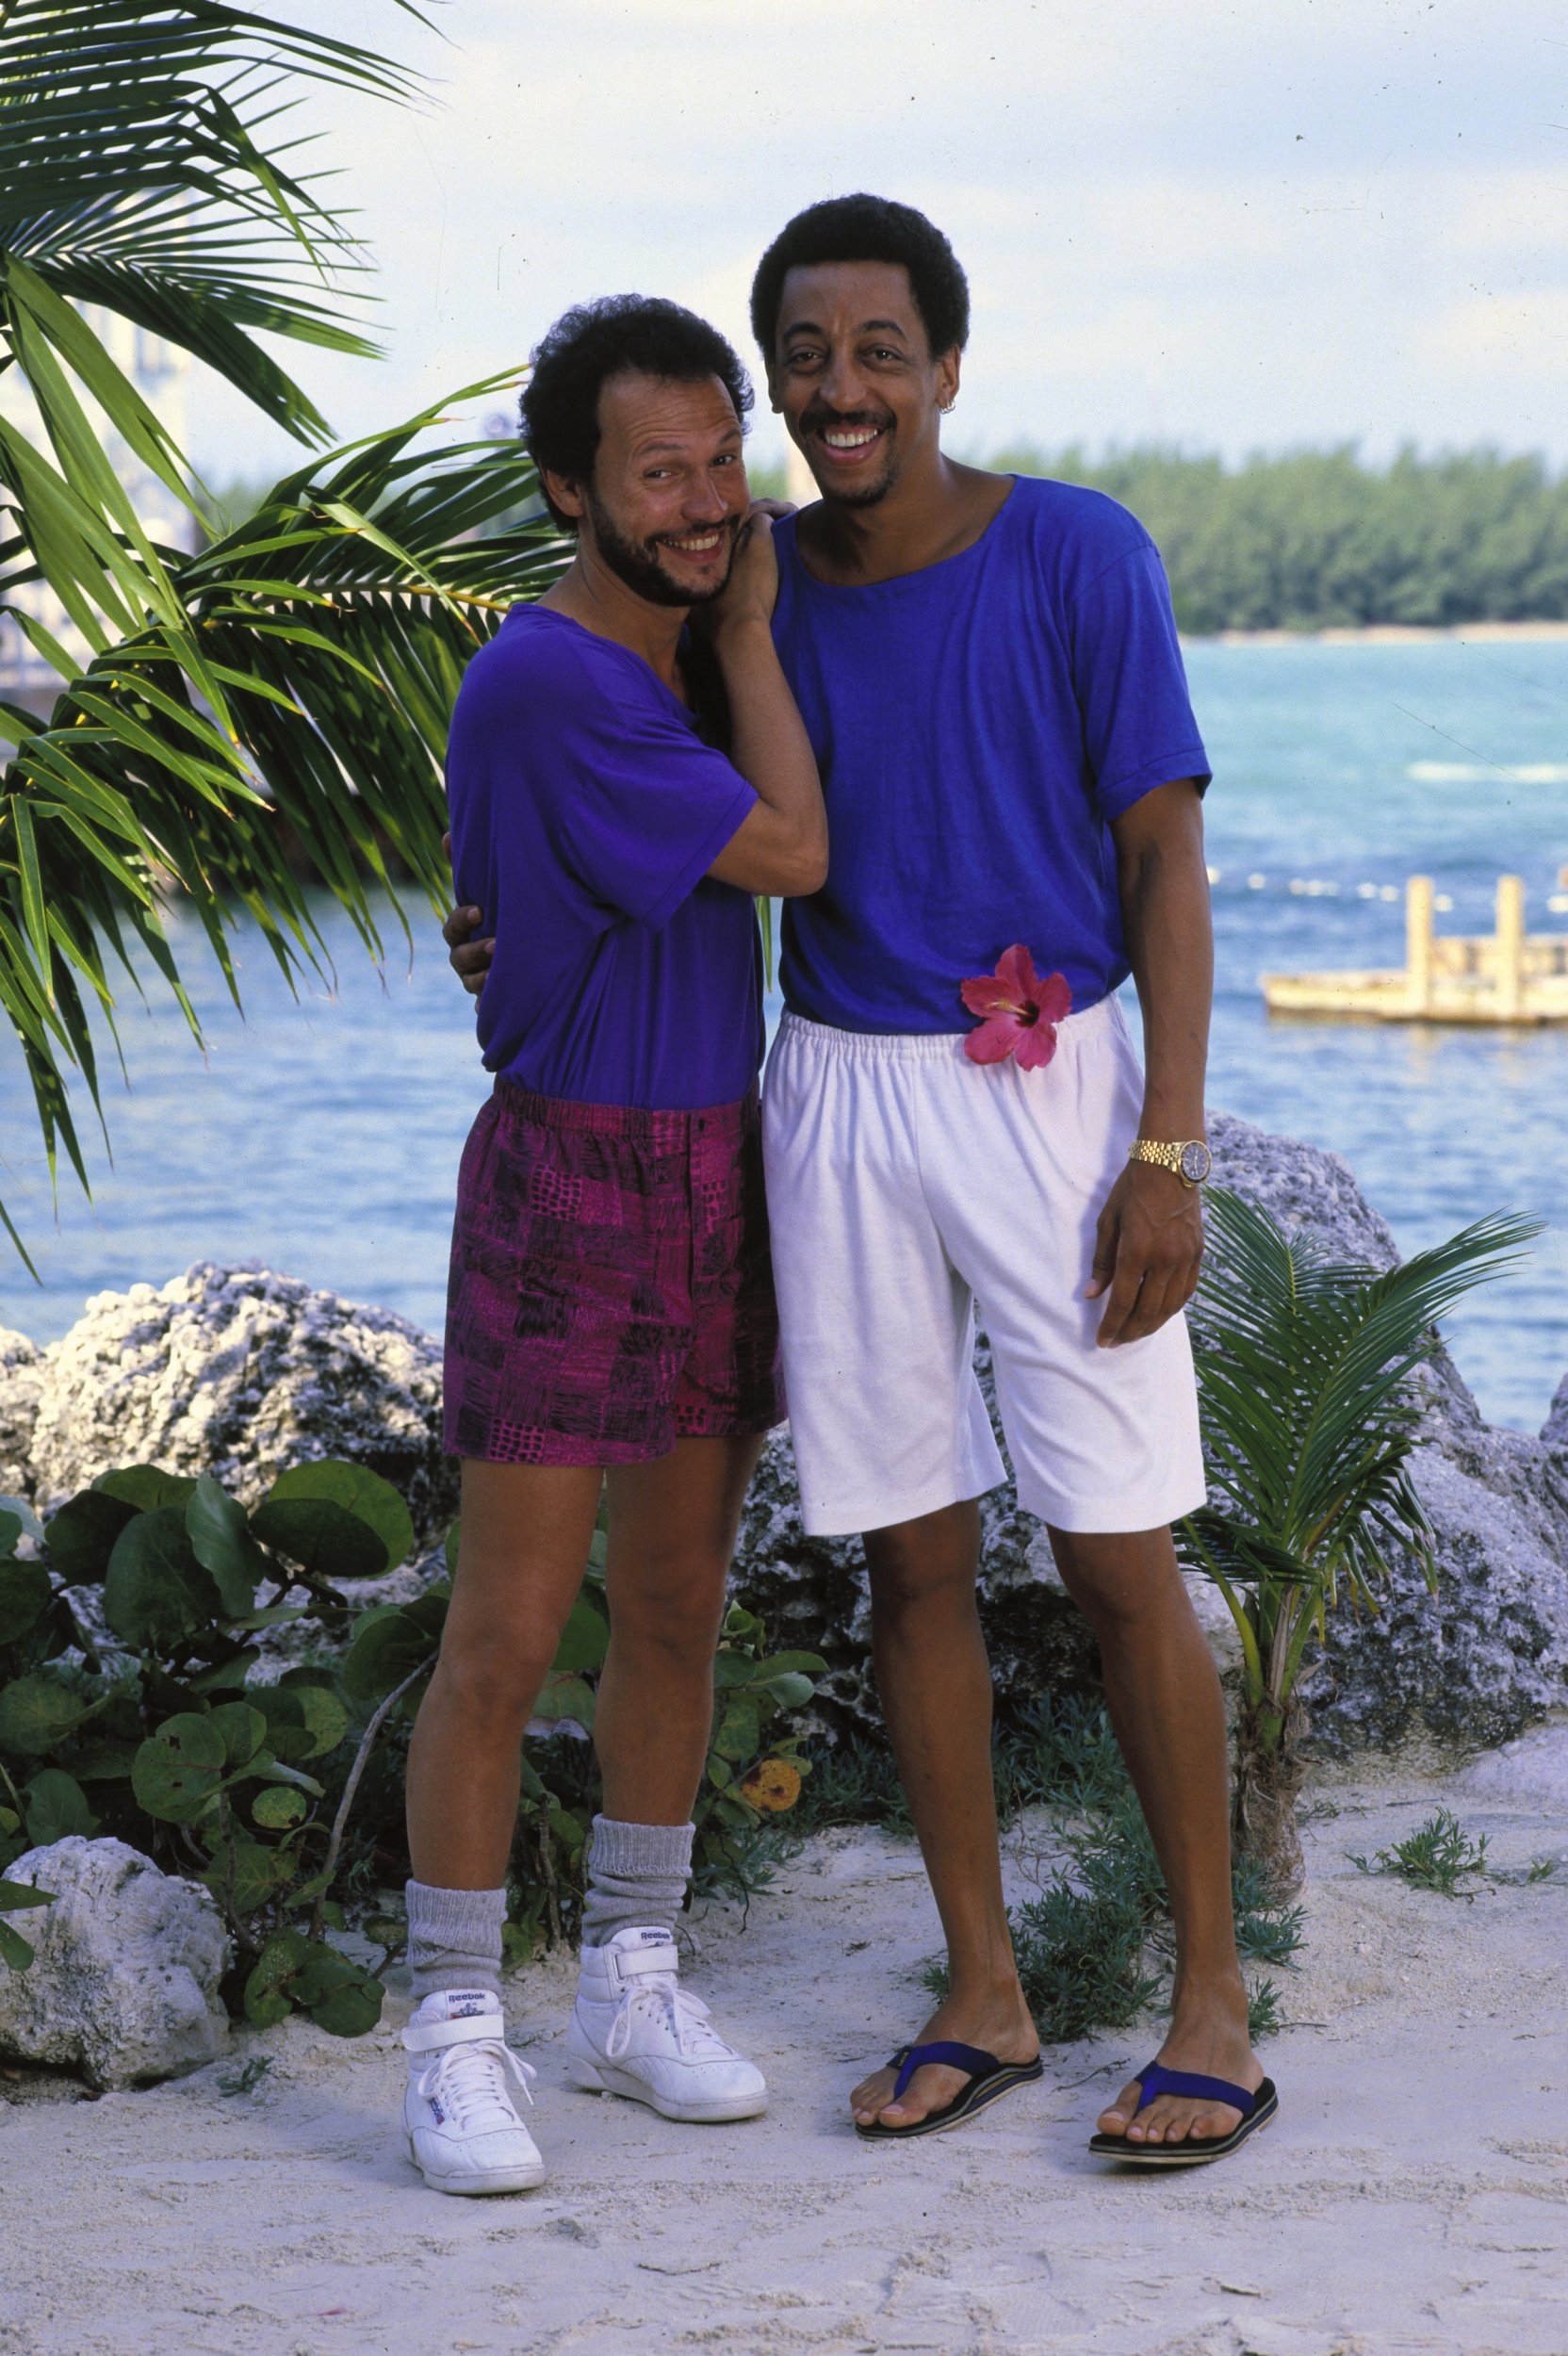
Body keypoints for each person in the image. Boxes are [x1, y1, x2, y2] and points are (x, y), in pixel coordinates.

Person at [449, 198, 1275, 2168]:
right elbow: (581, 768)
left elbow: (1163, 857)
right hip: (826, 1093)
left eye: (878, 350)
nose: (841, 391)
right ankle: (984, 1990)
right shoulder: (737, 580)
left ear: (946, 365)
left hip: (1052, 1092)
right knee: (913, 1559)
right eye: (804, 359)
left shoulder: (1078, 551)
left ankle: (1213, 2004)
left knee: (1117, 1552)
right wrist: (493, 921)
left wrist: (1168, 1146)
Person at [403, 294, 826, 2198]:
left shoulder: (675, 660)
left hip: (715, 1162)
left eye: (723, 459)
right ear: (569, 488)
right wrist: (744, 631)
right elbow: (794, 855)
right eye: (658, 472)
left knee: (672, 1607)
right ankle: (450, 2033)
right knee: (504, 1632)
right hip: (573, 1172)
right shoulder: (560, 676)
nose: (707, 501)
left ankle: (631, 1985)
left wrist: (736, 635)